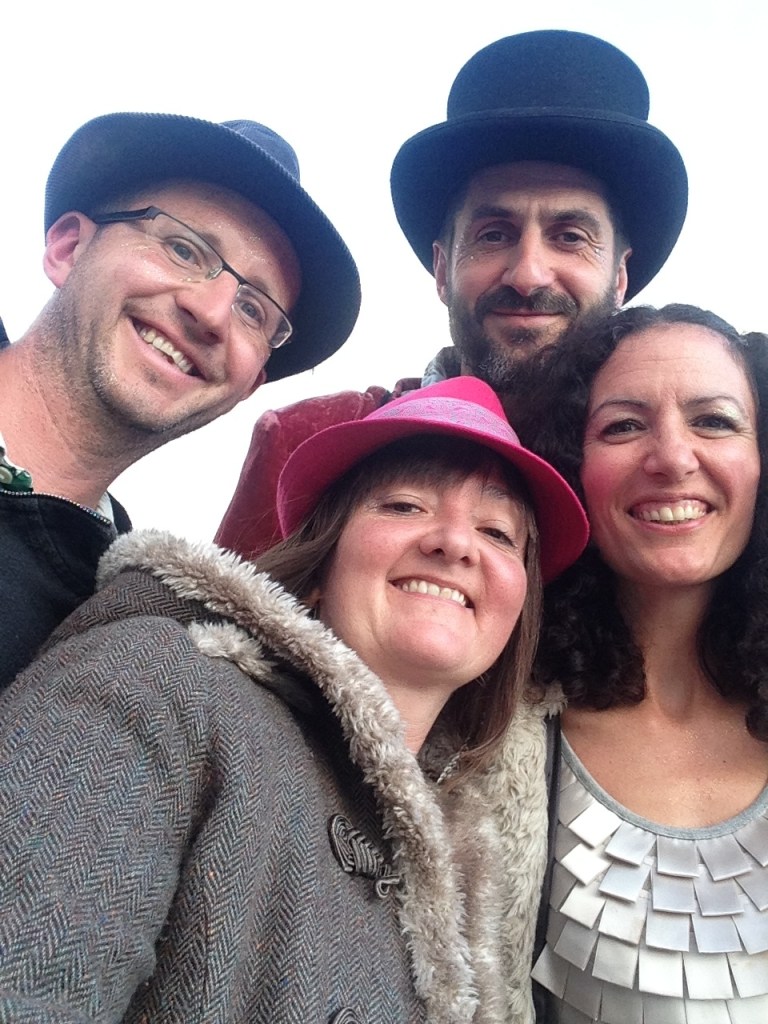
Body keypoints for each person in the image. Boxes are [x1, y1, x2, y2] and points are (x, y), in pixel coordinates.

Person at [0, 377, 587, 1023]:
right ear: (318, 569)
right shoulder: (155, 686)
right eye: (404, 505)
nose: (455, 541)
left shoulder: (470, 856)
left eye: (498, 532)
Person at [215, 28, 687, 560]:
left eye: (570, 237)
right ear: (442, 269)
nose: (528, 275)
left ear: (620, 278)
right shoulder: (309, 444)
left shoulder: (666, 479)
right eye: (494, 235)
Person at [0, 112, 360, 689]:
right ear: (69, 248)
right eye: (184, 250)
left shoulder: (112, 637)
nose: (212, 313)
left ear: (248, 385)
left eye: (253, 310)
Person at [492, 304, 768, 1021]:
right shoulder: (488, 721)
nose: (672, 458)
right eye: (622, 427)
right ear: (571, 468)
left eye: (714, 421)